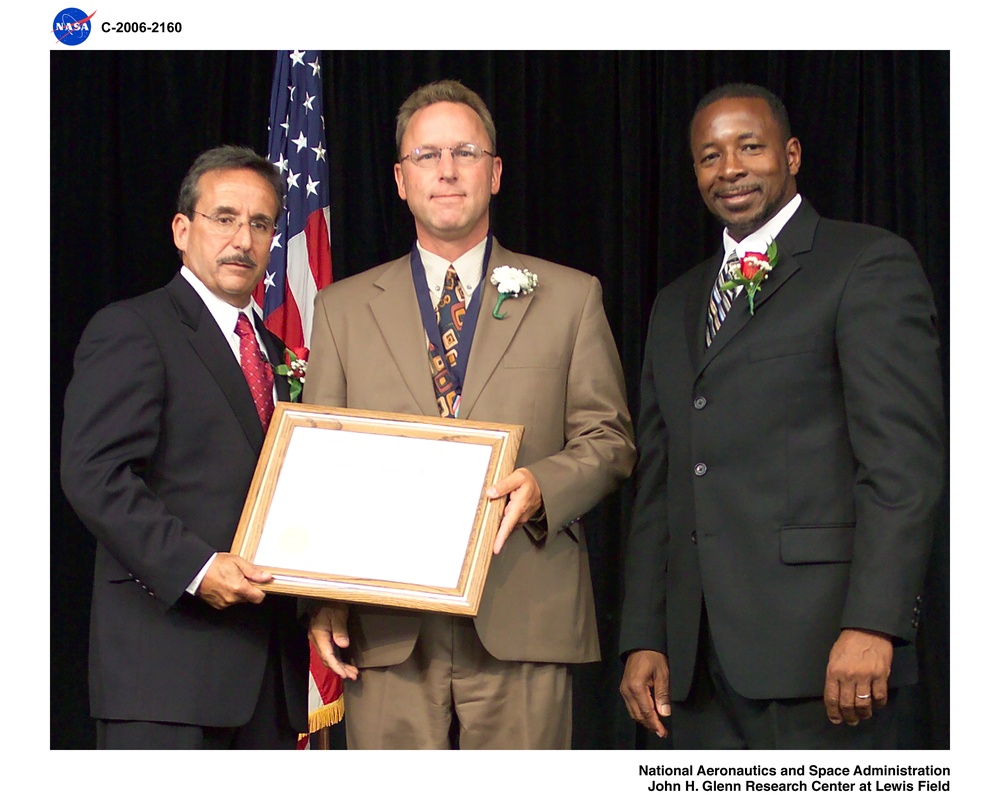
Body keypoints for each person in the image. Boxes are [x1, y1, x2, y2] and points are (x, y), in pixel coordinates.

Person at [305, 79, 635, 749]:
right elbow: (320, 462)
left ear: (496, 171)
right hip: (388, 622)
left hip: (523, 608)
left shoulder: (570, 297)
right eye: (427, 156)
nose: (447, 170)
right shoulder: (340, 309)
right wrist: (324, 597)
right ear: (400, 180)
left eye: (465, 151)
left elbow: (610, 440)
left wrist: (544, 485)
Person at [618, 83, 944, 749]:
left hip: (825, 655)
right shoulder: (676, 302)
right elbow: (660, 485)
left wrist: (874, 623)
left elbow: (901, 467)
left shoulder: (865, 264)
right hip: (697, 672)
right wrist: (646, 635)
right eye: (709, 156)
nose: (729, 168)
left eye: (749, 146)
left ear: (791, 155)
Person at [61, 146, 308, 749]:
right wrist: (197, 569)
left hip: (268, 677)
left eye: (259, 223)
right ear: (182, 229)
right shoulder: (133, 328)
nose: (242, 240)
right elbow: (95, 475)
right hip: (162, 674)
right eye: (223, 217)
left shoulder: (282, 355)